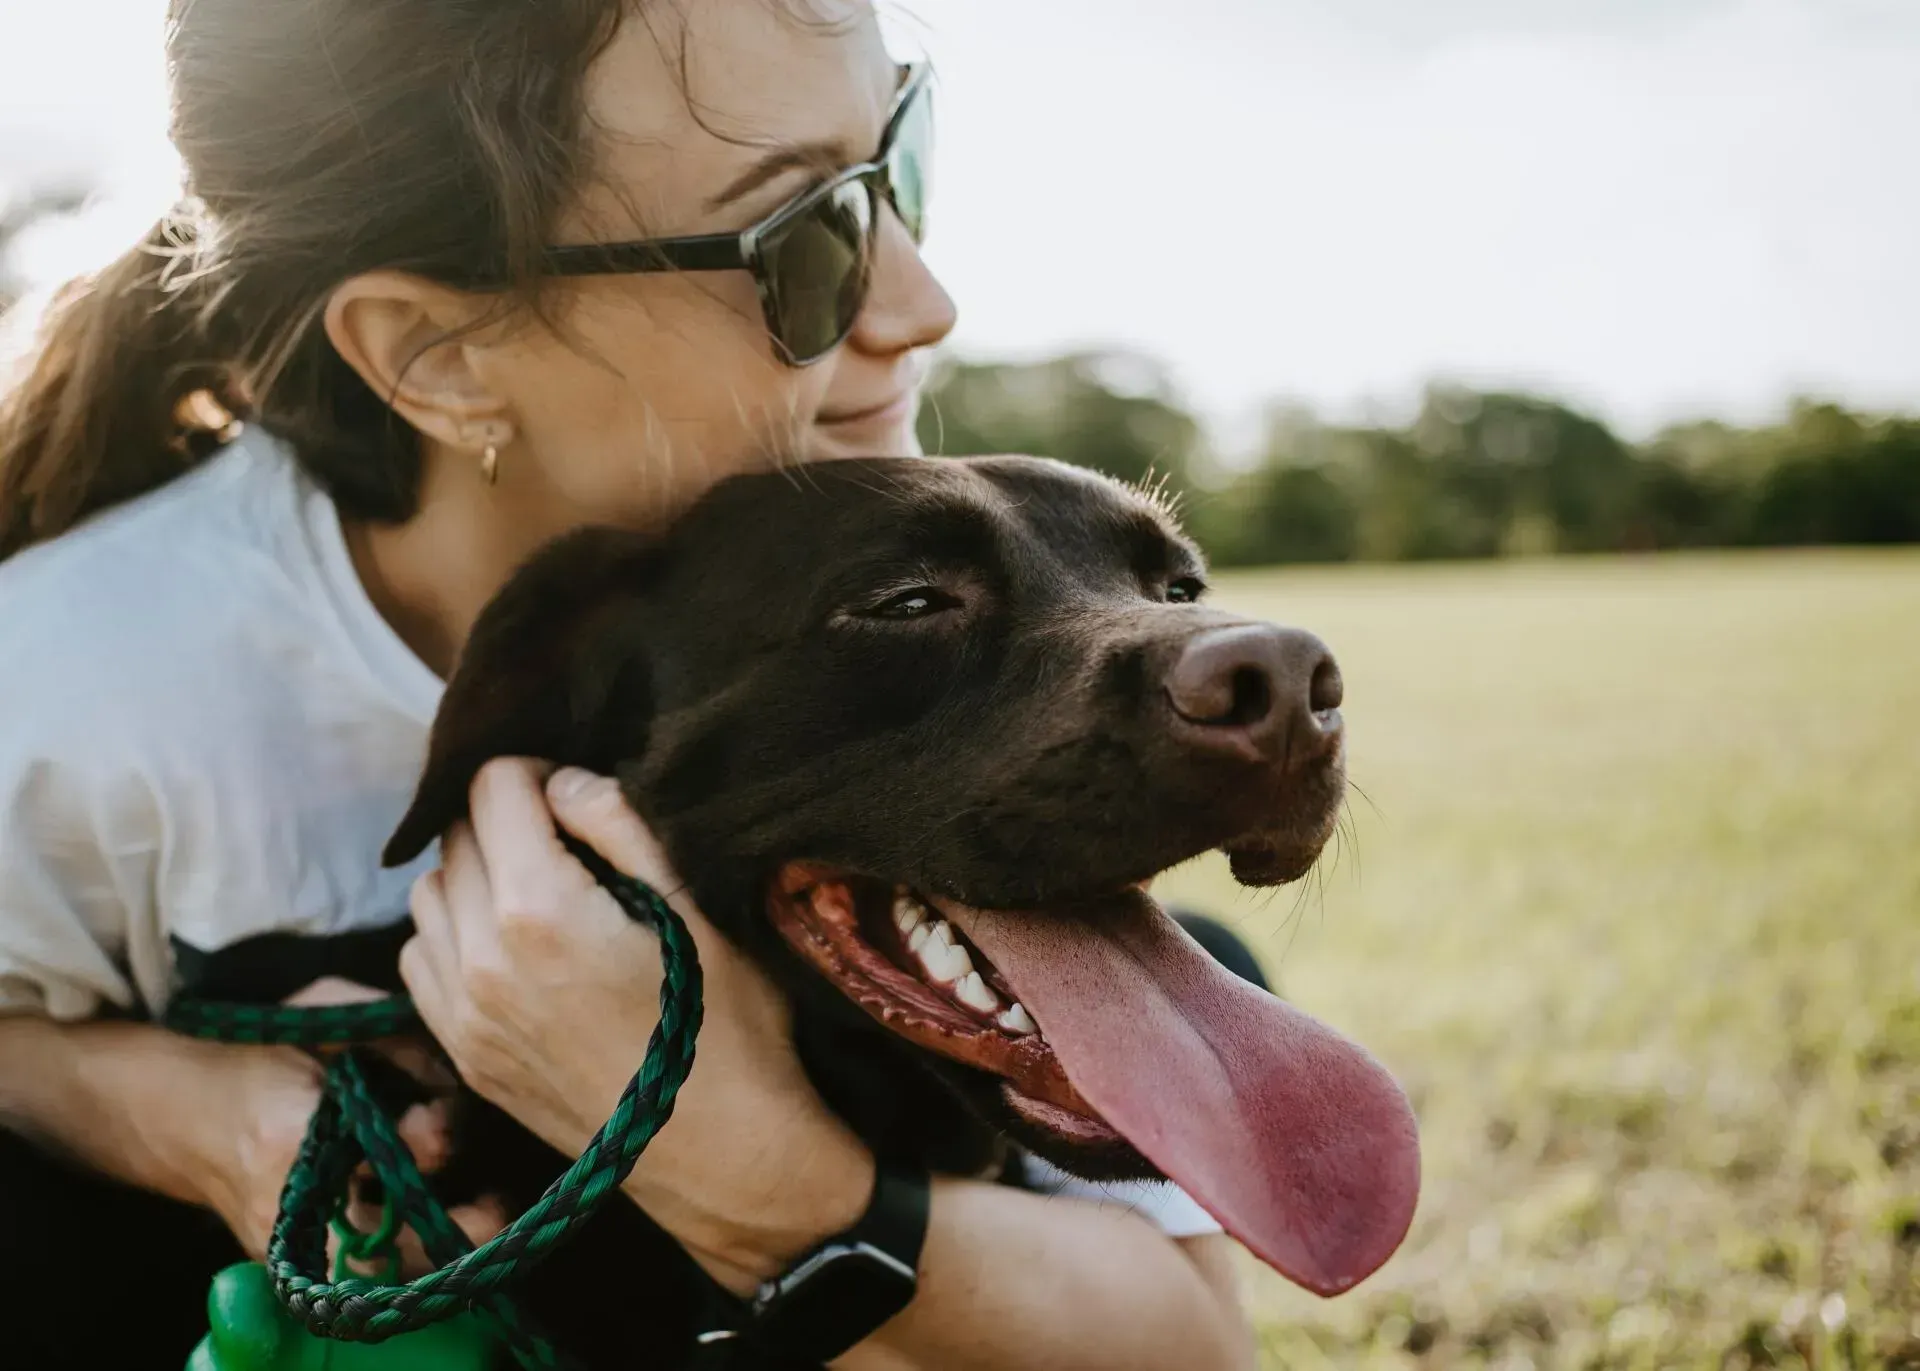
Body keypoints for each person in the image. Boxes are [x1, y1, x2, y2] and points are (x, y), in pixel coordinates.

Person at [0, 2, 1268, 1367]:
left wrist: (737, 1151)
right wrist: (197, 1114)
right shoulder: (75, 685)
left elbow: (1190, 1348)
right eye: (804, 241)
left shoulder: (883, 522)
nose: (923, 303)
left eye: (899, 158)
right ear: (440, 355)